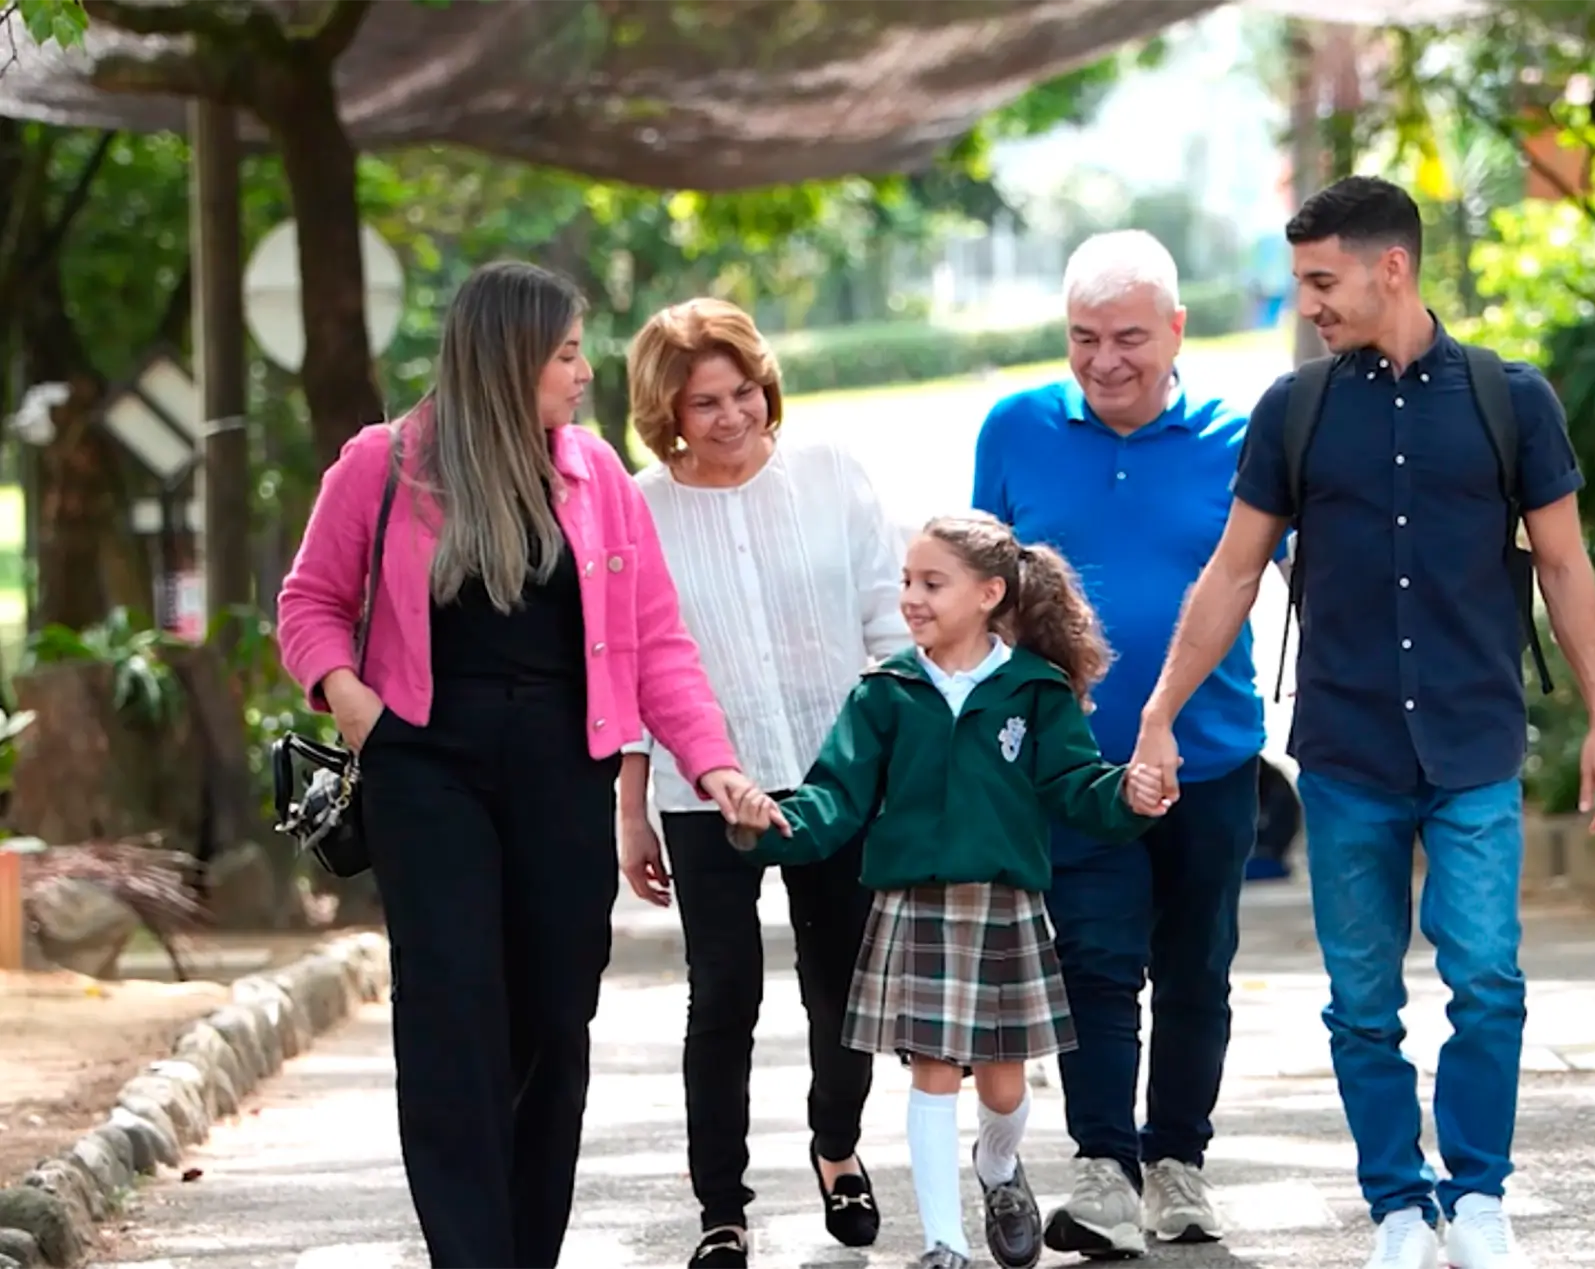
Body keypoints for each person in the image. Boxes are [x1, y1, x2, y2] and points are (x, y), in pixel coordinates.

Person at [1129, 175, 1595, 1269]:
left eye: (1322, 280)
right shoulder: (1297, 411)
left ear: (1388, 267)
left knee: (1487, 976)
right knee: (1363, 1002)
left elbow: (1565, 565)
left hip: (1475, 745)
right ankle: (1399, 1210)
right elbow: (1230, 573)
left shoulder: (1513, 400)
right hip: (1347, 752)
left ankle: (1482, 1197)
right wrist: (1161, 711)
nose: (1308, 302)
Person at [276, 261, 769, 1269]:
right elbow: (309, 603)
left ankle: (525, 1247)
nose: (584, 373)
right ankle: (472, 1254)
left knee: (555, 1007)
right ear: (507, 361)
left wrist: (710, 762)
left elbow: (659, 642)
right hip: (425, 769)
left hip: (559, 770)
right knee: (453, 1008)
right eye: (566, 353)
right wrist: (353, 702)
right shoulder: (381, 465)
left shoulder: (593, 481)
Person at [729, 514, 1167, 1269]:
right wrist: (772, 824)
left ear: (989, 592)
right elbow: (834, 795)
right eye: (906, 581)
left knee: (1001, 1088)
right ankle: (944, 1242)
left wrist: (1126, 793)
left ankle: (998, 1166)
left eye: (932, 582)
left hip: (1003, 906)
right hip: (915, 905)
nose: (911, 598)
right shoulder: (885, 692)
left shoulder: (1035, 691)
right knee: (932, 1070)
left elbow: (1072, 785)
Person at [971, 229, 1277, 1255]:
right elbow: (976, 591)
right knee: (1095, 966)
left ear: (1178, 331)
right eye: (1084, 337)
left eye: (1131, 338)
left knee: (1196, 965)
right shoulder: (1014, 430)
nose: (1106, 360)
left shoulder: (1236, 440)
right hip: (1070, 764)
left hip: (1212, 754)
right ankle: (1104, 1171)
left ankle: (1178, 1166)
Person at [617, 297, 910, 1269]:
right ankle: (722, 1208)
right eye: (706, 403)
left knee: (842, 993)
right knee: (724, 994)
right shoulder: (639, 508)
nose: (734, 415)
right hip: (701, 790)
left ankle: (836, 1147)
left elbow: (889, 621)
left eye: (743, 391)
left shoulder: (830, 476)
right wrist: (632, 808)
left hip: (836, 781)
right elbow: (626, 667)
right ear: (668, 413)